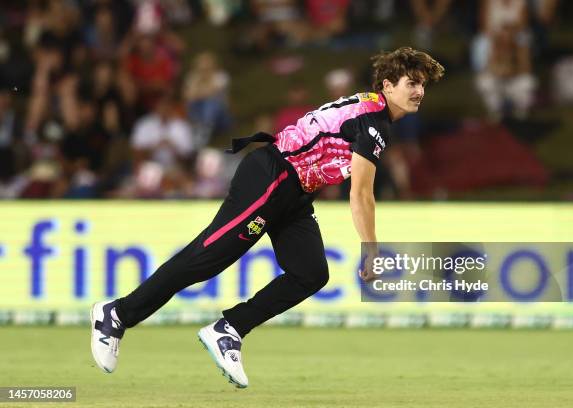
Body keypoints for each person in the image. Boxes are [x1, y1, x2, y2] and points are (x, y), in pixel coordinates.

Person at [90, 46, 445, 388]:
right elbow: (361, 195)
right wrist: (371, 249)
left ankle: (228, 329)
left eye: (422, 84)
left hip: (294, 191)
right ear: (387, 85)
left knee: (310, 273)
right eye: (411, 83)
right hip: (272, 176)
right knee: (208, 256)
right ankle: (117, 314)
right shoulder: (373, 121)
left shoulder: (373, 114)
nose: (419, 91)